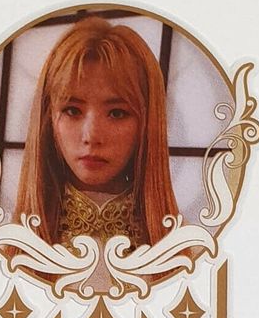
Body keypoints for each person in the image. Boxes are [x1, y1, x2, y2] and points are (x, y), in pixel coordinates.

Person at [12, 16, 178, 264]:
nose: (91, 136)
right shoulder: (6, 250)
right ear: (48, 119)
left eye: (117, 113)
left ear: (147, 124)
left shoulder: (187, 255)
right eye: (72, 111)